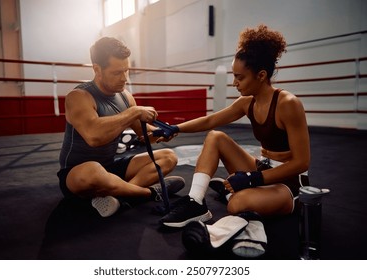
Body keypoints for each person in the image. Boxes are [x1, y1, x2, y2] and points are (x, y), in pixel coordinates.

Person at [160, 24, 310, 228]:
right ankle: (195, 202)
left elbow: (302, 162)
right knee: (215, 136)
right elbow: (210, 121)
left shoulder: (288, 104)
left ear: (262, 75)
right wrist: (175, 128)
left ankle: (238, 193)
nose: (234, 83)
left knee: (237, 204)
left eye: (240, 77)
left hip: (288, 183)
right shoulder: (247, 102)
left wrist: (252, 178)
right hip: (262, 169)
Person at [57, 37, 185, 218]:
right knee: (93, 171)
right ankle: (148, 193)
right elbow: (94, 136)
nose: (124, 78)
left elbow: (144, 134)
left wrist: (160, 133)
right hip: (78, 174)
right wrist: (133, 112)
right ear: (97, 69)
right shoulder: (79, 96)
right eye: (117, 73)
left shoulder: (125, 97)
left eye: (126, 71)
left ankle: (120, 195)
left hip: (110, 167)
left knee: (168, 157)